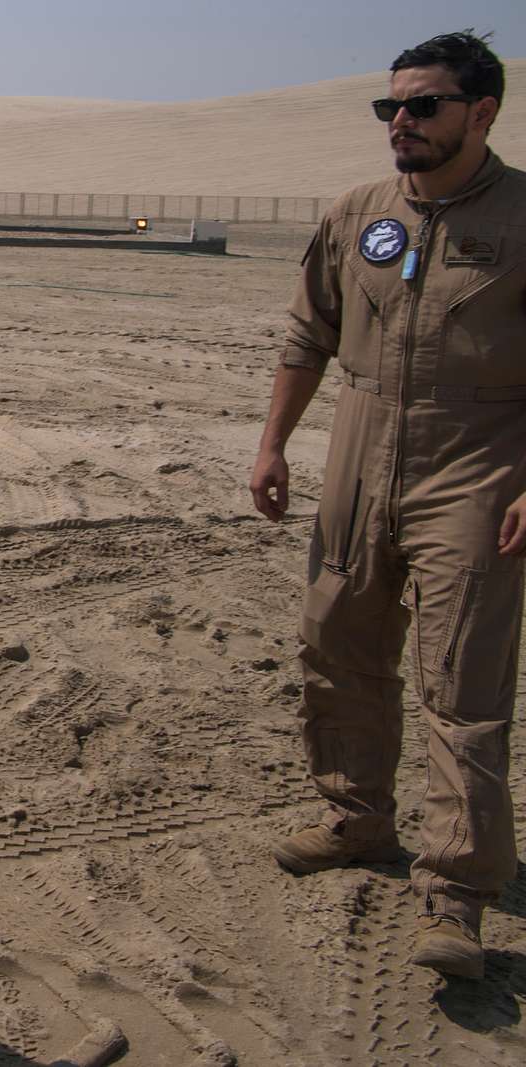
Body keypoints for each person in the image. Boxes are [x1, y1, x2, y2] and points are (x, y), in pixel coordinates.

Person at [250, 31, 524, 980]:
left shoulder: (524, 216)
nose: (400, 123)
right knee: (336, 644)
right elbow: (307, 332)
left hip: (479, 460)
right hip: (361, 450)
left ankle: (456, 894)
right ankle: (357, 818)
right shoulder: (359, 213)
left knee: (462, 683)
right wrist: (275, 443)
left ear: (481, 113)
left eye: (423, 106)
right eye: (391, 107)